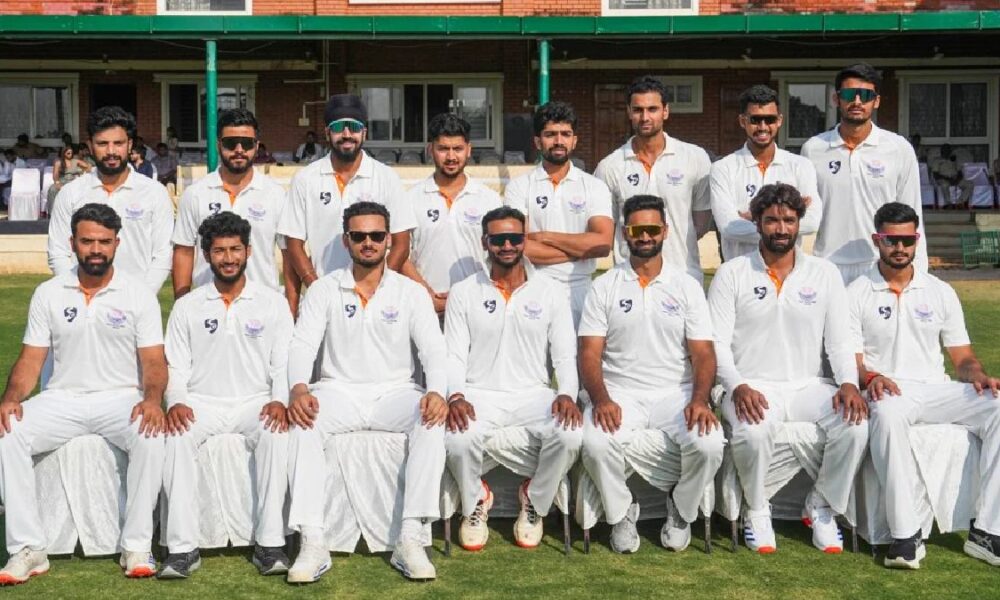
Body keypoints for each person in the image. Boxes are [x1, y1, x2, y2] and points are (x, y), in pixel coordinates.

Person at [0, 203, 167, 584]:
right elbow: (30, 360)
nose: (96, 249)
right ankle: (28, 548)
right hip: (62, 398)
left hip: (120, 398)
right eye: (88, 241)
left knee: (150, 434)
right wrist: (11, 398)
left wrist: (152, 399)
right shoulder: (48, 293)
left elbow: (154, 362)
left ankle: (137, 544)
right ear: (73, 242)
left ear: (117, 244)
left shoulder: (138, 293)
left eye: (104, 242)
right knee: (9, 430)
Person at [284, 202, 447, 583]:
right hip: (338, 391)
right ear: (346, 241)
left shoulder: (410, 292)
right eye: (359, 236)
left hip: (396, 393)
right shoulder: (323, 289)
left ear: (389, 240)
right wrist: (299, 388)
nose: (368, 243)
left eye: (376, 235)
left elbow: (434, 349)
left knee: (431, 419)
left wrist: (438, 391)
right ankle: (313, 540)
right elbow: (302, 345)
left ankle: (411, 537)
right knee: (305, 422)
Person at [708, 183, 868, 554]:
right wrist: (737, 386)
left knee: (856, 424)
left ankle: (822, 505)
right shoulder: (731, 273)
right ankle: (756, 509)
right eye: (772, 220)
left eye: (789, 220)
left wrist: (847, 382)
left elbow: (840, 341)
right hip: (751, 384)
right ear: (757, 223)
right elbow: (716, 344)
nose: (781, 229)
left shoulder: (824, 273)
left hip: (808, 385)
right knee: (752, 432)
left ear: (799, 223)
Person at [848, 202, 1000, 569]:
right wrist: (871, 378)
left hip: (936, 389)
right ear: (877, 240)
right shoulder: (856, 292)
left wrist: (979, 376)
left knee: (998, 405)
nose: (899, 248)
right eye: (891, 240)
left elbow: (962, 358)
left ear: (917, 240)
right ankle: (906, 536)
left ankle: (987, 532)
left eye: (907, 240)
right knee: (887, 417)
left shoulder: (939, 291)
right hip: (888, 390)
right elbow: (851, 360)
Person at [579, 194, 724, 554]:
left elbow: (703, 353)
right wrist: (602, 399)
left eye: (652, 229)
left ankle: (681, 509)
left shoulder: (687, 285)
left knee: (709, 444)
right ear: (624, 233)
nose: (645, 237)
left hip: (676, 392)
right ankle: (621, 512)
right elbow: (589, 353)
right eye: (636, 230)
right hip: (621, 392)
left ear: (665, 231)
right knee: (595, 443)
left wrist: (700, 401)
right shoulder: (605, 285)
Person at [159, 212, 294, 580]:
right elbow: (176, 367)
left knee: (276, 433)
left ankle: (270, 544)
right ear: (206, 256)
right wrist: (177, 401)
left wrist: (279, 399)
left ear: (249, 251)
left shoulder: (273, 302)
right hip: (202, 402)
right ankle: (182, 549)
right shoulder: (188, 305)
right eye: (219, 251)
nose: (228, 258)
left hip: (255, 400)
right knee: (177, 436)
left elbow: (282, 363)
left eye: (235, 249)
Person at [444, 206, 582, 551]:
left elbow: (564, 355)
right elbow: (454, 355)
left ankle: (534, 499)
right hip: (479, 394)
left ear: (524, 240)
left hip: (533, 394)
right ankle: (475, 501)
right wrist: (456, 396)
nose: (507, 245)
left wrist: (566, 393)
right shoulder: (464, 291)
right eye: (498, 239)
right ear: (485, 242)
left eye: (514, 238)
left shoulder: (550, 291)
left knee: (570, 434)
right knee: (456, 439)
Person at [278, 94, 414, 314]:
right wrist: (316, 287)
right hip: (324, 302)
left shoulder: (386, 177)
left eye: (354, 127)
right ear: (327, 133)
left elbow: (401, 244)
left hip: (375, 301)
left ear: (364, 133)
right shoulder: (305, 179)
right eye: (339, 127)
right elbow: (293, 243)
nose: (347, 135)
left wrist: (376, 287)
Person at [801, 63, 927, 284]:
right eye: (849, 94)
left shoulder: (899, 149)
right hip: (827, 265)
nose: (857, 101)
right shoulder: (813, 149)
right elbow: (804, 213)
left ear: (876, 101)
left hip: (880, 264)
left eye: (866, 95)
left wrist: (919, 272)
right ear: (836, 99)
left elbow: (912, 213)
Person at [503, 101, 614, 326]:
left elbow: (602, 244)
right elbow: (519, 247)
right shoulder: (519, 186)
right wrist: (580, 250)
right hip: (533, 289)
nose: (558, 141)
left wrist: (545, 236)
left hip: (580, 290)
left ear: (574, 140)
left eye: (565, 134)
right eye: (550, 134)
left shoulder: (594, 186)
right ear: (537, 141)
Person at [594, 75, 713, 282]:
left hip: (683, 277)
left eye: (652, 109)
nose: (645, 117)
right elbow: (607, 228)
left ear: (665, 111)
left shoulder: (695, 158)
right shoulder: (609, 167)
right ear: (629, 112)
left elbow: (701, 224)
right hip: (629, 280)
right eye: (638, 110)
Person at [47, 106, 174, 294]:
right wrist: (79, 294)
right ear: (90, 146)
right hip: (83, 300)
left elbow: (163, 255)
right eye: (102, 143)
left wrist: (142, 297)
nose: (111, 151)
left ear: (129, 145)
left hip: (136, 301)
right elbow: (58, 252)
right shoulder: (71, 193)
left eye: (118, 143)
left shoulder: (154, 192)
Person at [172, 108, 290, 301]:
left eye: (247, 143)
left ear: (256, 145)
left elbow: (288, 255)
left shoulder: (276, 195)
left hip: (262, 305)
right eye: (230, 143)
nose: (239, 150)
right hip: (209, 304)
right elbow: (183, 251)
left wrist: (290, 307)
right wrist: (181, 304)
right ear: (218, 145)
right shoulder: (195, 194)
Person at [401, 113, 502, 316]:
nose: (451, 157)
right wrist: (427, 295)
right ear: (430, 150)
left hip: (476, 307)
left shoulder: (489, 200)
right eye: (443, 149)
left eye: (457, 149)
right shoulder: (410, 199)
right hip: (425, 308)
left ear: (469, 150)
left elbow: (500, 254)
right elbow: (401, 255)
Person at [710, 84, 822, 262]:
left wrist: (753, 218)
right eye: (755, 119)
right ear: (742, 121)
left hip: (788, 273)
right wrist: (788, 219)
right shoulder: (723, 168)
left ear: (779, 120)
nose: (763, 127)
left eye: (769, 119)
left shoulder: (801, 165)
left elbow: (813, 221)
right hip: (741, 270)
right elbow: (728, 228)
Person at [47, 145, 91, 216]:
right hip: (62, 181)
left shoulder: (75, 161)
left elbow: (88, 166)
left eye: (71, 153)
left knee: (85, 188)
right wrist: (57, 183)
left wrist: (82, 172)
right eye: (68, 153)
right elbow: (55, 176)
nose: (70, 154)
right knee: (52, 189)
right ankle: (51, 213)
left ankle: (82, 213)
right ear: (64, 153)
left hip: (73, 181)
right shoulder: (58, 162)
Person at [929, 143, 972, 209]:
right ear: (942, 151)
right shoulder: (937, 160)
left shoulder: (954, 160)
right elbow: (936, 174)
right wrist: (948, 179)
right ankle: (948, 203)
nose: (947, 151)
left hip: (955, 178)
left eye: (948, 150)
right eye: (945, 150)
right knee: (944, 185)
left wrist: (957, 179)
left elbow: (960, 172)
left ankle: (960, 202)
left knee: (970, 184)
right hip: (943, 178)